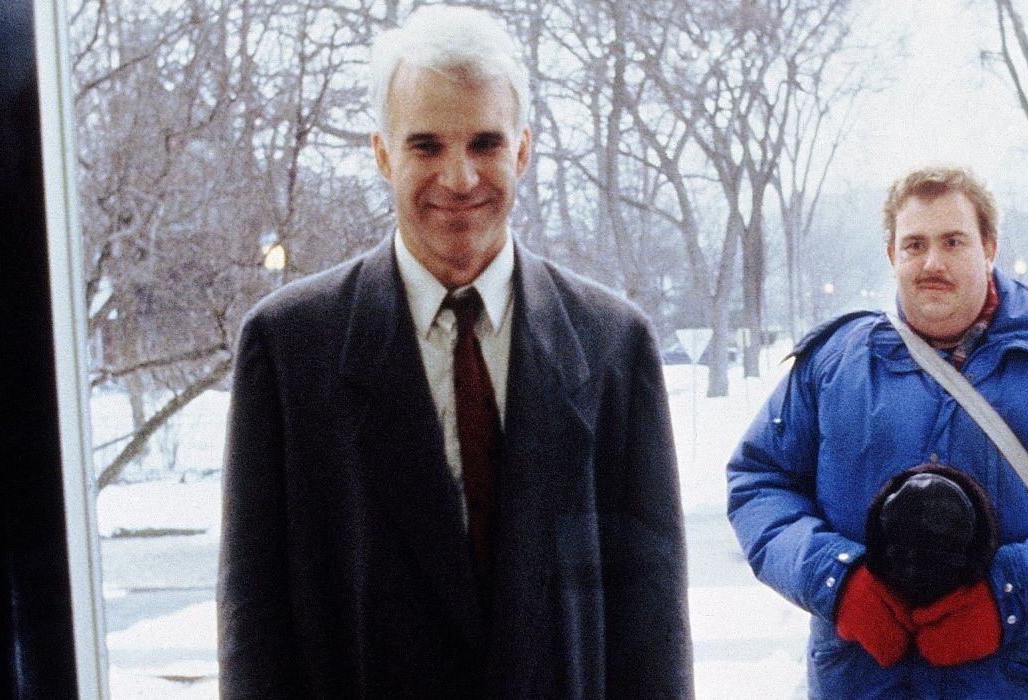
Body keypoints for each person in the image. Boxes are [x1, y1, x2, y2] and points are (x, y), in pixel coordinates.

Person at [217, 7, 692, 698]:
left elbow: (653, 628)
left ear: (523, 150)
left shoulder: (614, 346)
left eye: (485, 142)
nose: (461, 178)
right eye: (427, 145)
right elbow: (254, 627)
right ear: (382, 153)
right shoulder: (288, 349)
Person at [727, 165, 1028, 697]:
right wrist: (838, 584)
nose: (931, 262)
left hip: (1021, 682)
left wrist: (1010, 597)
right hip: (861, 681)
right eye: (914, 245)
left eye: (953, 242)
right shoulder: (832, 366)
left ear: (989, 248)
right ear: (892, 255)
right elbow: (758, 483)